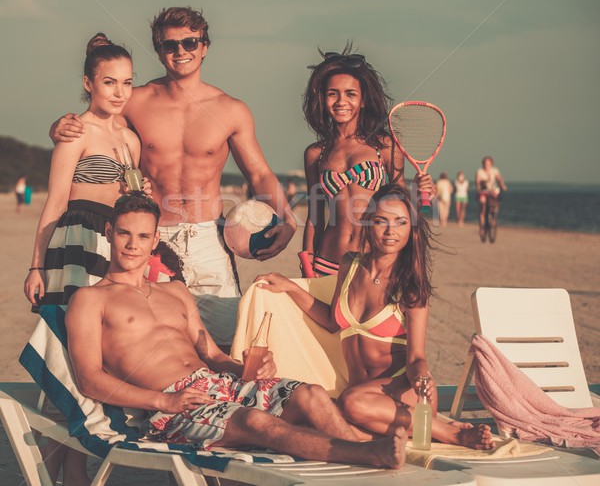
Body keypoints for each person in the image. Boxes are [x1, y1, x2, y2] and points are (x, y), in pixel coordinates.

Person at [65, 193, 406, 469]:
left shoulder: (175, 291)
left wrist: (246, 370)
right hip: (176, 405)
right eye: (124, 233)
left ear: (155, 240)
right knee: (258, 424)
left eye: (142, 236)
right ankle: (368, 456)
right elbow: (89, 379)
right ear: (109, 233)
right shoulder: (91, 299)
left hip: (223, 385)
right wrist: (164, 400)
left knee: (312, 395)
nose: (132, 245)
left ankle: (363, 465)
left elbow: (212, 355)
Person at [50, 7, 297, 350]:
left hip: (207, 239)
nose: (181, 51)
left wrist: (288, 220)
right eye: (170, 45)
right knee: (151, 343)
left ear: (204, 46)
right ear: (159, 50)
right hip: (150, 237)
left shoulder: (231, 109)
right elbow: (95, 123)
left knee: (225, 339)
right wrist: (59, 127)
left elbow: (259, 173)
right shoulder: (136, 101)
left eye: (190, 42)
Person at [257, 184, 494, 449]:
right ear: (369, 222)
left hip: (404, 394)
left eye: (400, 222)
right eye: (382, 221)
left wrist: (421, 380)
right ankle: (400, 435)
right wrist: (291, 287)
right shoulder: (350, 264)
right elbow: (333, 321)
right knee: (313, 420)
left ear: (411, 228)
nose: (391, 231)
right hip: (362, 397)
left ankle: (448, 434)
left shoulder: (411, 287)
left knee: (348, 403)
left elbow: (417, 358)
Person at [23, 33, 148, 486]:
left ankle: (71, 478)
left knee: (89, 364)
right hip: (74, 244)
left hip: (111, 246)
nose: (119, 92)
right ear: (89, 83)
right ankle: (39, 478)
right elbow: (54, 202)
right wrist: (35, 265)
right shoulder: (75, 131)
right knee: (69, 367)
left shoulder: (131, 140)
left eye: (127, 83)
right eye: (109, 82)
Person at [299, 47, 434, 277]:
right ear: (323, 99)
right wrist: (306, 258)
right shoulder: (316, 153)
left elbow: (401, 207)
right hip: (327, 262)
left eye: (350, 94)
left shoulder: (385, 146)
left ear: (363, 101)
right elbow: (315, 215)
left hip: (373, 262)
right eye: (333, 93)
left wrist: (422, 194)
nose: (341, 101)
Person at [476, 157, 507, 241]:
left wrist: (502, 185)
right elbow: (478, 181)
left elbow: (499, 178)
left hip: (493, 191)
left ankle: (493, 220)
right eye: (485, 163)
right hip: (484, 191)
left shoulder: (495, 170)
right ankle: (482, 226)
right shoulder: (480, 171)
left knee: (496, 203)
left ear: (491, 164)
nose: (487, 165)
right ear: (483, 164)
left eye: (488, 163)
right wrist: (479, 187)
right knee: (482, 205)